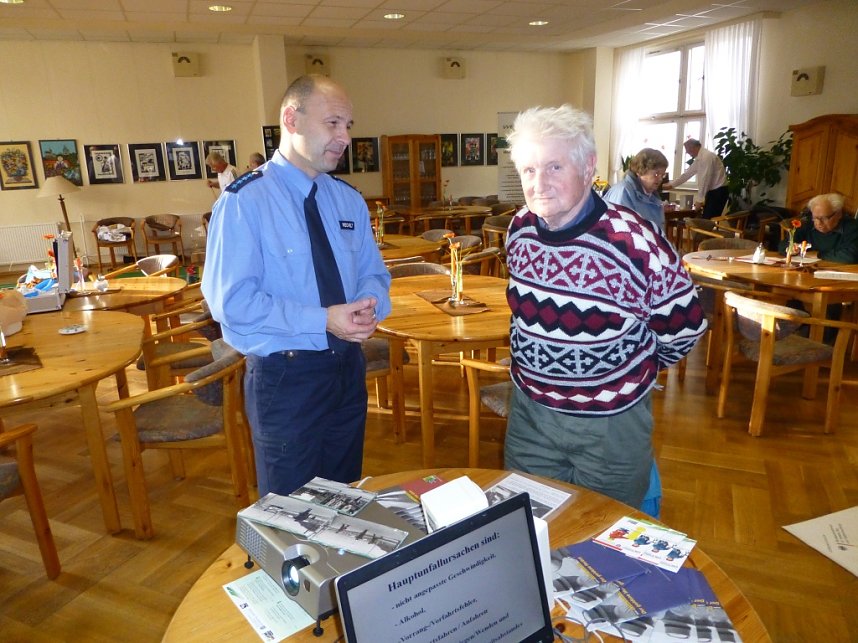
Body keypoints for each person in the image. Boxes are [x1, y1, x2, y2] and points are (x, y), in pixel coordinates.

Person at [504, 104, 707, 509]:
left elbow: (685, 326)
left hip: (610, 426)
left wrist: (624, 371)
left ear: (587, 166)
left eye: (554, 167)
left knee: (604, 539)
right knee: (531, 526)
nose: (539, 183)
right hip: (529, 415)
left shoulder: (634, 241)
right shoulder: (519, 229)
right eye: (529, 170)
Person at [202, 74, 391, 496]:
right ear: (291, 119)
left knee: (345, 497)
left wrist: (371, 304)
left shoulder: (347, 200)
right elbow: (232, 302)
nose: (345, 137)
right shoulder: (244, 201)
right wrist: (323, 319)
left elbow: (373, 273)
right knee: (289, 512)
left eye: (349, 126)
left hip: (347, 369)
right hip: (286, 378)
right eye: (333, 123)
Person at [778, 193, 858, 263]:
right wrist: (790, 249)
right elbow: (783, 245)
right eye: (815, 218)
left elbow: (851, 256)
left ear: (838, 214)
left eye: (824, 218)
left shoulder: (852, 228)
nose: (818, 223)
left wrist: (818, 255)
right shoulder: (807, 223)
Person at [604, 148, 669, 229]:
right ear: (640, 170)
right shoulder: (623, 192)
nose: (660, 179)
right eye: (656, 174)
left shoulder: (653, 196)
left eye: (663, 175)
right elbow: (620, 231)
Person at [662, 139, 728, 219]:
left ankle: (704, 232)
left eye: (687, 149)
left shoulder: (706, 157)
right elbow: (687, 174)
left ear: (693, 147)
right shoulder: (700, 158)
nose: (687, 152)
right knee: (706, 219)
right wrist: (671, 185)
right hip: (713, 192)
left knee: (708, 220)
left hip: (718, 192)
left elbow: (705, 179)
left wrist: (699, 200)